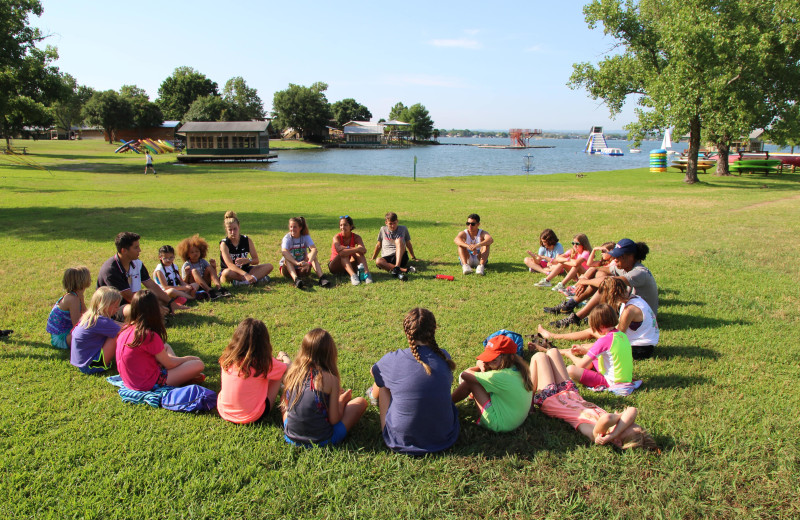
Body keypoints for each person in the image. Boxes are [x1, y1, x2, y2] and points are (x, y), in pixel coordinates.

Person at [368, 308, 459, 455]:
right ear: (434, 329)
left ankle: (374, 399)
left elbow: (374, 371)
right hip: (444, 437)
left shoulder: (393, 359)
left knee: (383, 384)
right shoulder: (444, 356)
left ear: (406, 331)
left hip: (400, 440)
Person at [530, 347, 658, 450]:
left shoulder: (597, 434)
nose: (623, 420)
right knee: (553, 351)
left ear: (617, 441)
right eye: (628, 422)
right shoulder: (613, 428)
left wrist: (612, 433)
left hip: (550, 399)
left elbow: (607, 418)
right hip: (569, 392)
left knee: (539, 357)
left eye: (624, 426)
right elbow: (632, 410)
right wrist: (616, 430)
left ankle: (529, 403)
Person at [545, 239, 658, 329]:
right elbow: (598, 270)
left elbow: (609, 282)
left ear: (630, 257)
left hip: (642, 316)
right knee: (601, 278)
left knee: (608, 286)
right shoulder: (625, 267)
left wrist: (584, 281)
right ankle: (570, 305)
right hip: (628, 308)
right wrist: (586, 279)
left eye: (619, 256)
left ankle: (576, 317)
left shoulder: (638, 272)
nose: (615, 259)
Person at [538, 277, 659, 360]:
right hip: (642, 344)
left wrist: (593, 345)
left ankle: (560, 350)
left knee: (596, 342)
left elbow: (617, 337)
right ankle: (554, 337)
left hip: (639, 350)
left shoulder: (629, 310)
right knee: (594, 333)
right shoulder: (635, 299)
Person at [282, 328, 367, 446]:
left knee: (286, 412)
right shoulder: (331, 380)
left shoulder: (292, 373)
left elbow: (286, 405)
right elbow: (334, 419)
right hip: (322, 440)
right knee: (361, 402)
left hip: (291, 437)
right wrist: (342, 400)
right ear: (330, 353)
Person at [115, 290, 205, 391]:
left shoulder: (126, 328)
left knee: (165, 346)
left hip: (130, 380)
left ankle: (182, 375)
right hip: (147, 383)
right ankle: (182, 375)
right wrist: (187, 359)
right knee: (198, 364)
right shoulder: (148, 335)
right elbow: (169, 364)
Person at [451, 335, 533, 432]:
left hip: (500, 424)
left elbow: (464, 375)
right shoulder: (517, 369)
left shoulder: (499, 376)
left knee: (470, 383)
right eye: (487, 359)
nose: (488, 363)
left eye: (493, 360)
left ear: (509, 358)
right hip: (516, 419)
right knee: (479, 381)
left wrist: (479, 366)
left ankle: (447, 403)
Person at [217, 318, 291, 424]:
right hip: (252, 415)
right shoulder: (263, 363)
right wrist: (284, 356)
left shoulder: (227, 358)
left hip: (225, 411)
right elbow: (289, 367)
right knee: (279, 374)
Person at [97, 232, 182, 320]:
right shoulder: (111, 270)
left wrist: (170, 302)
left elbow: (151, 284)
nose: (140, 250)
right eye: (136, 247)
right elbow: (129, 296)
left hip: (134, 301)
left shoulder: (137, 263)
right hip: (114, 308)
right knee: (142, 308)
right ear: (124, 250)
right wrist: (154, 308)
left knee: (157, 300)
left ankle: (155, 312)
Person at [558, 304, 633, 389]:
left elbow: (580, 365)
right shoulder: (622, 335)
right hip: (626, 379)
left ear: (599, 326)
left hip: (612, 382)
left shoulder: (603, 340)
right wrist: (585, 351)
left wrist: (569, 355)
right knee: (591, 362)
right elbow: (609, 355)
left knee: (571, 370)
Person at [70, 287, 122, 375]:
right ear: (105, 306)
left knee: (114, 331)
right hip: (91, 366)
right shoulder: (100, 321)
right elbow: (125, 330)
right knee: (116, 335)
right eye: (116, 306)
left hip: (82, 364)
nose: (117, 309)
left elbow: (115, 323)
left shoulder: (90, 316)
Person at [219, 211, 273, 287]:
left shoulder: (247, 240)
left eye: (235, 229)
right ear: (226, 230)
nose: (233, 232)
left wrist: (248, 260)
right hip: (233, 272)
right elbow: (230, 265)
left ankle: (245, 282)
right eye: (230, 230)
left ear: (239, 227)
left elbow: (256, 260)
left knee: (269, 266)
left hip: (246, 269)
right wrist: (245, 274)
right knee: (226, 273)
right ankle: (255, 279)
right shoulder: (224, 244)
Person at [280, 216, 331, 289]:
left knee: (313, 256)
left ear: (300, 228)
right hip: (288, 269)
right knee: (287, 259)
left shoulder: (305, 236)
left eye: (295, 227)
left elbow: (314, 249)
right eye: (291, 227)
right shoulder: (287, 238)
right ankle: (296, 280)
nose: (292, 229)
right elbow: (284, 252)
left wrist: (309, 263)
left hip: (302, 267)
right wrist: (296, 263)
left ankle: (322, 278)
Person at [46, 266, 90, 350]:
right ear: (83, 281)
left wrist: (82, 300)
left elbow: (85, 313)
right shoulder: (73, 299)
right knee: (90, 335)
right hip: (61, 339)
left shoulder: (75, 296)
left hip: (66, 333)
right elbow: (77, 324)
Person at [177, 234, 228, 299]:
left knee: (209, 267)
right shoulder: (186, 265)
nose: (195, 253)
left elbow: (212, 274)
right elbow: (184, 283)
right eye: (192, 252)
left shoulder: (203, 261)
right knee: (194, 271)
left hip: (205, 282)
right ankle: (209, 290)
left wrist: (213, 267)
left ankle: (220, 288)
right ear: (187, 254)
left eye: (197, 251)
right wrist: (187, 274)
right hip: (195, 286)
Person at [328, 215, 373, 285]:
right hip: (335, 266)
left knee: (358, 253)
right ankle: (353, 276)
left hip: (348, 265)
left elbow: (364, 250)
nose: (342, 227)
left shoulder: (356, 237)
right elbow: (341, 252)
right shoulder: (336, 237)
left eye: (345, 225)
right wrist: (356, 248)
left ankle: (367, 274)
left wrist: (347, 248)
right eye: (341, 225)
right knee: (344, 254)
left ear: (351, 226)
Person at [372, 212, 417, 279]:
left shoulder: (403, 229)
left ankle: (397, 266)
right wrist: (373, 257)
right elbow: (379, 245)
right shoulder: (383, 229)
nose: (393, 226)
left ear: (397, 221)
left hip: (401, 256)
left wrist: (413, 257)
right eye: (390, 224)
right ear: (386, 223)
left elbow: (408, 243)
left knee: (398, 240)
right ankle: (404, 270)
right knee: (378, 261)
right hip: (387, 258)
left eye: (394, 223)